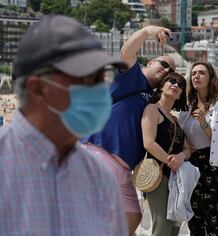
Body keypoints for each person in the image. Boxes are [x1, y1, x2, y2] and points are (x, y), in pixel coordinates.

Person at [0, 15, 127, 235]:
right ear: (38, 89)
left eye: (101, 78)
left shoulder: (99, 177)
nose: (99, 91)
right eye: (87, 79)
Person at [84, 25, 176, 232]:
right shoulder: (132, 75)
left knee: (133, 216)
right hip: (102, 153)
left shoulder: (153, 98)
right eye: (164, 64)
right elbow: (126, 52)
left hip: (125, 169)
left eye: (171, 71)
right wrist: (146, 31)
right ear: (150, 62)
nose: (167, 71)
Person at [179, 62, 218, 236]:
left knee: (213, 221)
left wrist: (204, 123)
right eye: (194, 73)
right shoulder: (186, 109)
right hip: (190, 167)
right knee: (194, 221)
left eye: (202, 73)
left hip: (212, 168)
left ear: (211, 78)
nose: (196, 76)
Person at [141, 73, 191, 235]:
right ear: (162, 86)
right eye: (172, 81)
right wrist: (171, 161)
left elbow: (187, 149)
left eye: (180, 85)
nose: (176, 85)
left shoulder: (175, 120)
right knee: (162, 225)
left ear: (181, 95)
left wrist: (180, 157)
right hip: (158, 173)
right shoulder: (152, 109)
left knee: (174, 228)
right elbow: (148, 143)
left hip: (176, 178)